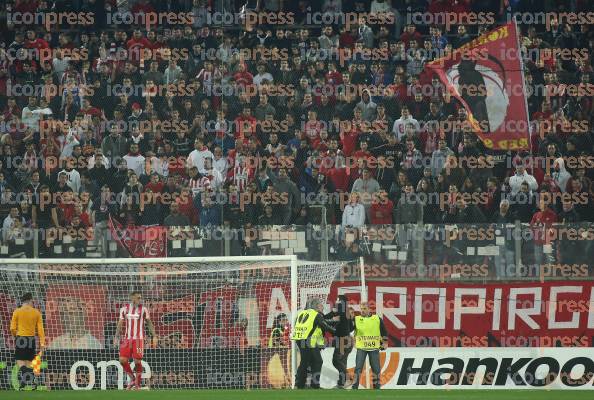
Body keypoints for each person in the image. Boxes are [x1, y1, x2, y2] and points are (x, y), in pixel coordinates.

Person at [114, 291, 158, 390]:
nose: (140, 299)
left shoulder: (144, 309)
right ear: (132, 298)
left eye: (140, 298)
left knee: (137, 361)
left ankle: (137, 384)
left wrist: (154, 336)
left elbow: (149, 323)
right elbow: (120, 323)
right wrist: (116, 337)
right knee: (122, 360)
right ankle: (132, 378)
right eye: (138, 298)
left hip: (139, 339)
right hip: (127, 339)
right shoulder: (124, 309)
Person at [291, 298, 336, 389]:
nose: (322, 307)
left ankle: (307, 384)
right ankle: (301, 384)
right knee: (308, 362)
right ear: (316, 306)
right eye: (320, 305)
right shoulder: (316, 315)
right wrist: (337, 332)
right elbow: (325, 326)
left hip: (300, 340)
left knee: (312, 361)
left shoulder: (301, 313)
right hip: (307, 341)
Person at [10, 292, 45, 390]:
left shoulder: (17, 311)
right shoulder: (36, 312)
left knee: (20, 362)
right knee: (29, 363)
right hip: (31, 339)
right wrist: (42, 343)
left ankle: (31, 379)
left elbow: (12, 328)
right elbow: (41, 330)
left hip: (21, 338)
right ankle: (27, 383)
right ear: (30, 300)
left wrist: (15, 336)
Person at [352, 301, 387, 390]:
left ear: (369, 309)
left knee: (376, 369)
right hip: (361, 347)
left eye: (364, 309)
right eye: (361, 309)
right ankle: (354, 387)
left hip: (374, 348)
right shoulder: (356, 319)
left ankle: (377, 387)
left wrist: (385, 342)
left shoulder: (377, 319)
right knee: (358, 368)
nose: (362, 311)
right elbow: (349, 329)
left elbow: (384, 331)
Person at [324, 295, 354, 389]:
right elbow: (351, 328)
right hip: (348, 339)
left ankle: (348, 378)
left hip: (342, 340)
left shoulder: (340, 310)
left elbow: (323, 320)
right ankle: (341, 383)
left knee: (336, 361)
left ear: (341, 302)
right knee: (342, 362)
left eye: (338, 300)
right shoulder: (346, 312)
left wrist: (332, 315)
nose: (336, 301)